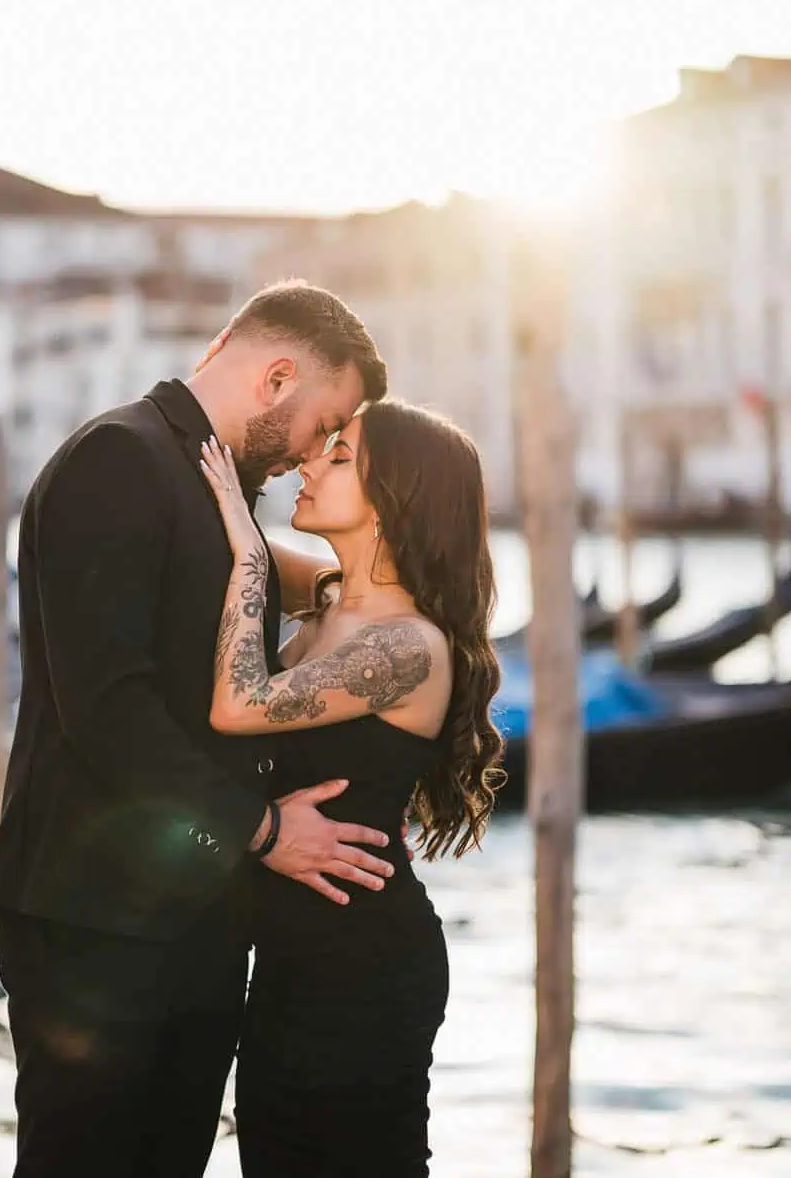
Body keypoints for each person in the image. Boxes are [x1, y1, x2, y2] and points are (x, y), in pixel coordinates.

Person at [0, 281, 393, 1177]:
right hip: (96, 918)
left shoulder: (212, 480)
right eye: (325, 422)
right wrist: (268, 828)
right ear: (277, 375)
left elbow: (230, 566)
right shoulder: (117, 459)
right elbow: (107, 709)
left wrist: (352, 593)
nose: (319, 450)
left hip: (193, 916)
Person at [197, 399, 505, 1177]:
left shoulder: (407, 646)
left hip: (366, 966)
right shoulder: (334, 601)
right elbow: (202, 544)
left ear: (395, 496)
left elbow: (239, 705)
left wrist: (248, 561)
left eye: (339, 457)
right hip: (290, 961)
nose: (310, 462)